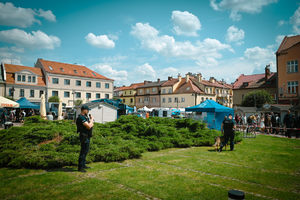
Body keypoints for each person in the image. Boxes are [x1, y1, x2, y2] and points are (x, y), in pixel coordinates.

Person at [77, 105, 94, 172]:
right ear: (84, 110)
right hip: (84, 136)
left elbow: (91, 125)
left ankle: (83, 164)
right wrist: (91, 120)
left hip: (87, 136)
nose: (88, 111)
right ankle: (80, 167)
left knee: (85, 151)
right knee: (83, 152)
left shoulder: (84, 117)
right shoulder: (81, 118)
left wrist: (90, 124)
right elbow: (89, 126)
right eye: (87, 110)